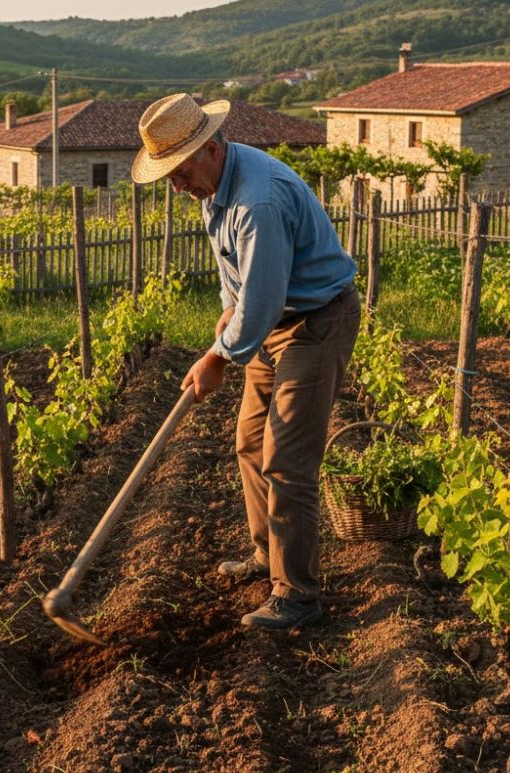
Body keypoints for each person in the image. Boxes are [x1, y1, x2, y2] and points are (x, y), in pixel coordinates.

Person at [132, 93, 360, 631]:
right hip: (273, 323)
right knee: (251, 442)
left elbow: (261, 297)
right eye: (169, 177)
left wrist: (219, 356)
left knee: (287, 460)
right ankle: (268, 555)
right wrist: (226, 312)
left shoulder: (258, 199)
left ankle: (298, 593)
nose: (178, 186)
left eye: (181, 172)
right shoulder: (214, 187)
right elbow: (237, 277)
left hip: (315, 323)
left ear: (211, 148)